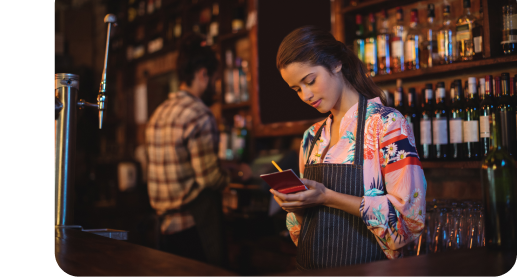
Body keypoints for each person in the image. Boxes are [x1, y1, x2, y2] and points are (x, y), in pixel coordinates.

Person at [270, 26, 427, 270]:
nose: (306, 95)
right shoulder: (312, 137)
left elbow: (409, 221)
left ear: (336, 64)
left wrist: (327, 197)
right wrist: (296, 205)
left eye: (310, 81)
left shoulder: (387, 125)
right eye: (297, 89)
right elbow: (302, 232)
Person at [145, 33, 250, 267]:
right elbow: (209, 178)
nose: (216, 85)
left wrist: (225, 165)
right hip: (192, 228)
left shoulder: (159, 113)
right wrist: (239, 173)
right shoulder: (200, 115)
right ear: (203, 74)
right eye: (215, 78)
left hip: (164, 228)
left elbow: (182, 166)